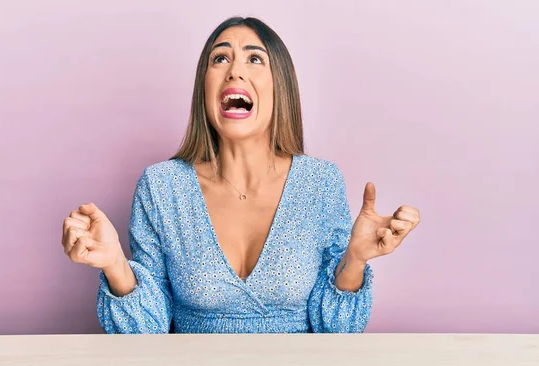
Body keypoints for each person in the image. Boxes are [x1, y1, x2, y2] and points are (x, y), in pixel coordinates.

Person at [61, 16, 420, 334]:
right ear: (205, 87)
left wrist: (354, 260)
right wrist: (115, 266)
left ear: (279, 85)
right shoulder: (161, 187)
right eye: (220, 58)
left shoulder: (320, 183)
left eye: (254, 58)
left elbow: (337, 329)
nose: (234, 70)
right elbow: (146, 333)